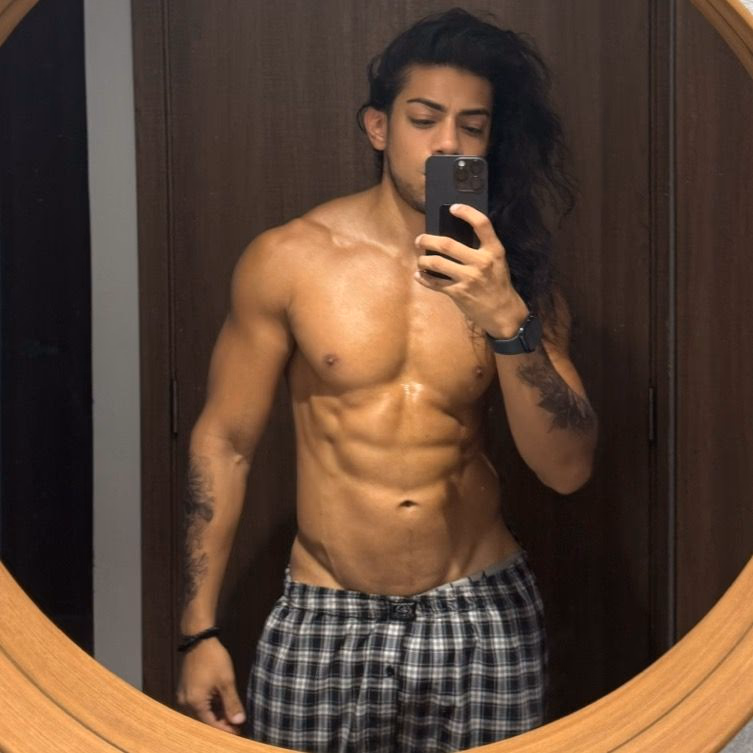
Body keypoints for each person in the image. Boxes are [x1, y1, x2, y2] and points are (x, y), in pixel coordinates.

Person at [176, 8, 598, 753]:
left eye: (471, 126)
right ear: (378, 126)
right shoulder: (289, 260)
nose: (447, 143)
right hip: (326, 615)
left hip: (479, 611)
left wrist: (506, 318)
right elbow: (226, 443)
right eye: (423, 118)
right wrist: (197, 630)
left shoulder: (516, 277)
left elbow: (567, 468)